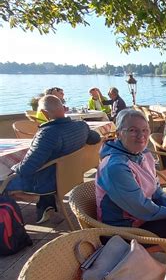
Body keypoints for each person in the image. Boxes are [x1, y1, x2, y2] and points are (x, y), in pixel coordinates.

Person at [7, 95, 101, 223]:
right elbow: (96, 138)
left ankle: (13, 226)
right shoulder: (80, 126)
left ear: (44, 113)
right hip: (71, 176)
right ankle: (45, 202)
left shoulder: (47, 133)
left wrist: (11, 169)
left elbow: (26, 168)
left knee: (4, 182)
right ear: (63, 108)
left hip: (48, 182)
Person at [96, 109, 166, 239]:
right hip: (124, 230)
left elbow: (156, 191)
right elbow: (141, 208)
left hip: (145, 218)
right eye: (132, 130)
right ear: (118, 134)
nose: (141, 135)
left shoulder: (144, 154)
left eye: (145, 130)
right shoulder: (115, 166)